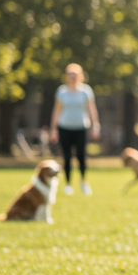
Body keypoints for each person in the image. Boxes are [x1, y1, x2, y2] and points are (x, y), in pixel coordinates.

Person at [49, 63, 100, 196]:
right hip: (64, 127)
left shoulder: (86, 91)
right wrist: (53, 128)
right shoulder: (62, 91)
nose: (73, 77)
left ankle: (83, 182)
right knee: (67, 156)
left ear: (80, 76)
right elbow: (56, 110)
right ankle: (68, 184)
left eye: (75, 74)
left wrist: (95, 125)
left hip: (81, 127)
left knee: (81, 156)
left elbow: (92, 109)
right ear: (66, 76)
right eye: (70, 75)